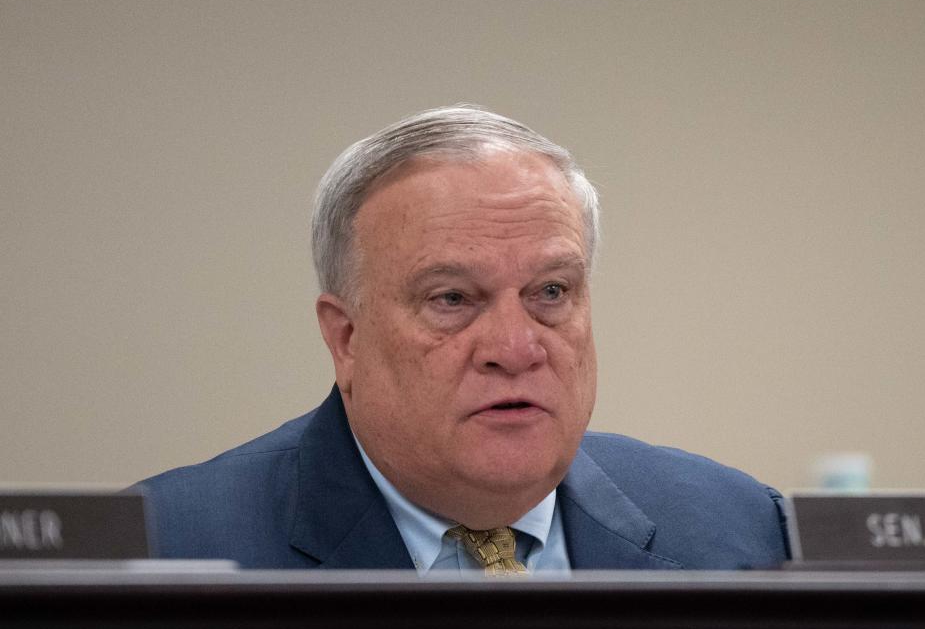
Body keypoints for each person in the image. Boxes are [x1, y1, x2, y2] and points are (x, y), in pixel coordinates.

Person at [135, 105, 789, 572]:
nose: (514, 346)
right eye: (452, 298)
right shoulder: (164, 549)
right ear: (346, 339)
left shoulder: (742, 534)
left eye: (551, 293)